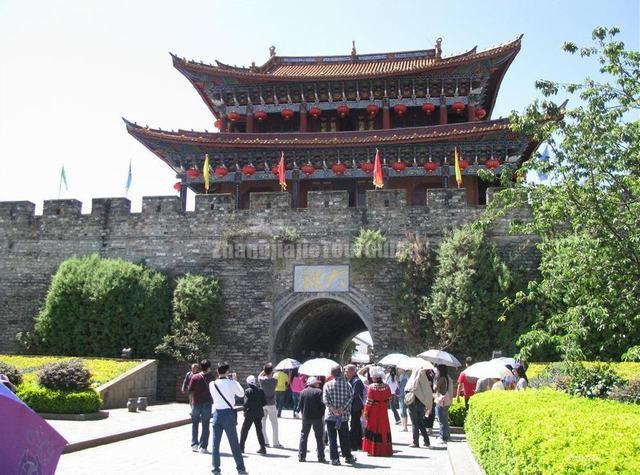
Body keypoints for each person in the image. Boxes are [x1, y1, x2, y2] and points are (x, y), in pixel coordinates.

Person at [210, 362, 247, 475]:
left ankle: (216, 469)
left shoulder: (212, 384)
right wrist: (235, 380)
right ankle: (240, 469)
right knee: (234, 443)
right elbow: (241, 394)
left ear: (217, 371)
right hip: (228, 414)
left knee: (215, 444)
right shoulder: (231, 383)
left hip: (217, 413)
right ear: (227, 372)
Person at [322, 365, 357, 466]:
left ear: (332, 374)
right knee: (344, 437)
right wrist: (342, 409)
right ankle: (347, 456)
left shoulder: (327, 385)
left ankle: (334, 459)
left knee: (332, 439)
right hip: (343, 416)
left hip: (331, 415)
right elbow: (350, 398)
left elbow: (325, 399)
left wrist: (333, 408)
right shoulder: (348, 385)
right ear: (341, 372)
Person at [361, 366, 393, 456]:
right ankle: (385, 449)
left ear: (374, 377)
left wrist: (365, 413)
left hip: (374, 410)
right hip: (383, 409)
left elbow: (369, 401)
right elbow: (390, 399)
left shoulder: (371, 387)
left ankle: (372, 450)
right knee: (384, 427)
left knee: (373, 428)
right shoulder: (387, 386)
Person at [297, 376, 326, 463]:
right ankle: (321, 457)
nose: (318, 384)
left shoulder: (302, 392)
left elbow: (300, 405)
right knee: (319, 438)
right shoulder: (319, 392)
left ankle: (302, 456)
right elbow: (322, 405)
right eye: (317, 382)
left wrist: (303, 414)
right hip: (317, 418)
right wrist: (321, 414)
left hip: (306, 417)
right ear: (314, 383)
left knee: (304, 436)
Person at [187, 359, 213, 453]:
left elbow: (190, 390)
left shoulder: (195, 377)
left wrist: (191, 403)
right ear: (209, 367)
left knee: (195, 424)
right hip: (207, 403)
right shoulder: (211, 377)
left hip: (196, 403)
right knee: (206, 425)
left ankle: (194, 444)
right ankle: (203, 446)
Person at [404, 366, 433, 448]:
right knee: (420, 423)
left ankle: (415, 442)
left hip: (413, 404)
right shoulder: (424, 381)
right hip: (421, 404)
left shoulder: (412, 380)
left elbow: (407, 389)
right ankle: (427, 441)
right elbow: (428, 393)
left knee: (414, 423)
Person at [239, 375, 267, 455]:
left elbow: (246, 403)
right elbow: (264, 403)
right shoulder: (261, 391)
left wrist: (244, 410)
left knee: (244, 430)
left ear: (248, 383)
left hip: (249, 414)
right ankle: (263, 448)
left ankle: (241, 447)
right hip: (258, 413)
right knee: (259, 431)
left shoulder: (248, 391)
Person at [258, 363, 282, 448]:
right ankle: (275, 442)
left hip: (263, 404)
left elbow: (259, 376)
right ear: (271, 371)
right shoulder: (275, 380)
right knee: (274, 424)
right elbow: (274, 375)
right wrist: (273, 371)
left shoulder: (262, 380)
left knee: (263, 423)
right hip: (271, 403)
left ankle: (265, 441)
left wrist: (264, 370)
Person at [434, 364, 453, 443]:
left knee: (441, 420)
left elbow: (435, 388)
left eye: (437, 370)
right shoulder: (447, 378)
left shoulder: (441, 379)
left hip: (441, 401)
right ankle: (447, 436)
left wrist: (435, 381)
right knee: (445, 420)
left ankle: (443, 437)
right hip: (446, 400)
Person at [397, 367, 409, 431]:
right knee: (402, 410)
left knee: (403, 410)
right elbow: (399, 386)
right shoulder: (402, 376)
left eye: (399, 368)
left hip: (404, 394)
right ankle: (404, 426)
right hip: (402, 394)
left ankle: (405, 427)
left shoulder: (406, 376)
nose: (398, 370)